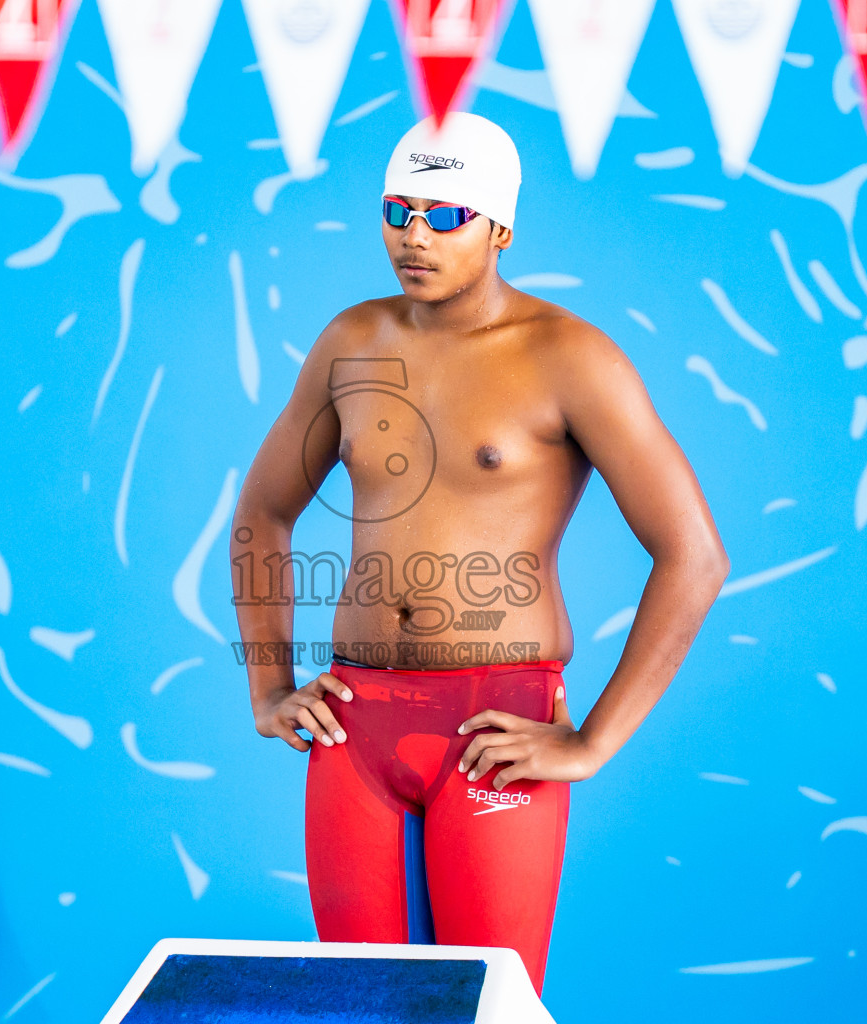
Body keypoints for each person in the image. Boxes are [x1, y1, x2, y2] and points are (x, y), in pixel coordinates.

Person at [232, 112, 729, 992]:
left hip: (492, 724)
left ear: (501, 228)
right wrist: (269, 687)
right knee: (362, 1010)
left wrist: (593, 742)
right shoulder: (353, 343)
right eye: (397, 210)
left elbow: (693, 555)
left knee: (492, 1003)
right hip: (356, 722)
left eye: (445, 215)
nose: (413, 236)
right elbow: (264, 513)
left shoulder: (570, 357)